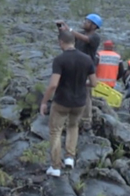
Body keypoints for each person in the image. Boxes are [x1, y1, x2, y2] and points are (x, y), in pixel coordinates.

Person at [40, 31, 97, 177]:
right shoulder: (87, 59)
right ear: (74, 42)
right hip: (80, 102)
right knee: (73, 127)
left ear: (61, 42)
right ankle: (70, 158)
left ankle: (55, 166)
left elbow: (53, 85)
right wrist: (80, 83)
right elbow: (94, 83)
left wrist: (44, 102)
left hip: (62, 101)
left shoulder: (60, 60)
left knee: (56, 131)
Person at [56, 13, 101, 130]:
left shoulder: (95, 37)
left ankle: (87, 119)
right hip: (75, 65)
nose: (84, 23)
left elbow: (86, 39)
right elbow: (70, 38)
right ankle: (70, 115)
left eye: (87, 21)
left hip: (87, 68)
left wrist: (69, 29)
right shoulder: (80, 35)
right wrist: (63, 30)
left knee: (85, 92)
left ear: (94, 26)